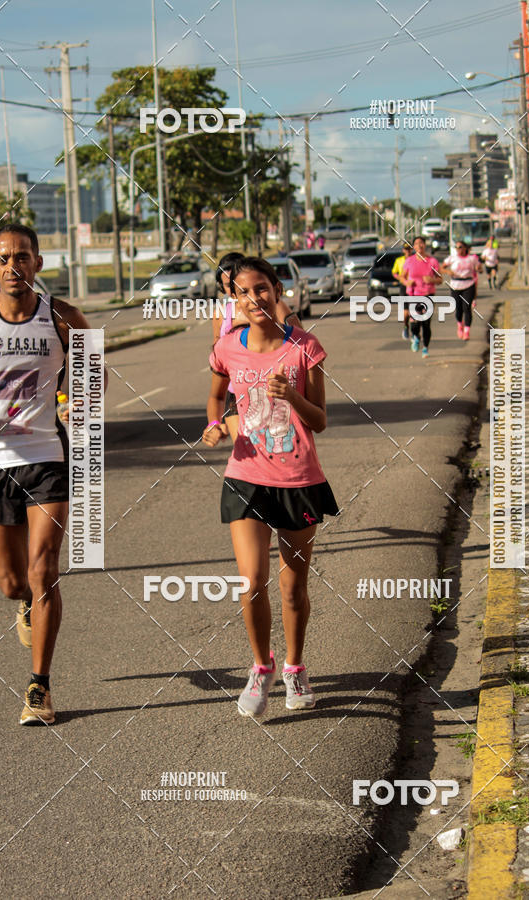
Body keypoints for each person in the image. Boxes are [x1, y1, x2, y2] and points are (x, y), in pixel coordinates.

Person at [202, 257, 338, 718]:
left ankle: (295, 668)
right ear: (233, 299)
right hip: (246, 478)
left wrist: (292, 395)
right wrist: (215, 425)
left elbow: (319, 420)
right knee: (251, 581)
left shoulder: (305, 347)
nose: (253, 298)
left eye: (260, 288)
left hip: (298, 480)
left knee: (292, 588)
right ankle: (262, 667)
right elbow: (216, 397)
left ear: (277, 290)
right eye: (242, 291)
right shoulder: (227, 347)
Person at [0, 223, 100, 725]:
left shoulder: (63, 317)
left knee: (44, 569)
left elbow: (94, 374)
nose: (12, 266)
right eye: (2, 258)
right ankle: (23, 603)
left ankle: (39, 686)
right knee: (12, 581)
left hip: (47, 457)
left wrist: (82, 399)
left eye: (22, 256)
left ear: (38, 263)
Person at [212, 252, 300, 442]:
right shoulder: (221, 313)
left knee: (275, 441)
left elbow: (298, 340)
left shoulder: (273, 306)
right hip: (236, 389)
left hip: (270, 385)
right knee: (243, 446)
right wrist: (214, 424)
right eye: (228, 285)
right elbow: (216, 351)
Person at [399, 236, 442, 359]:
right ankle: (416, 337)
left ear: (425, 245)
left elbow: (440, 280)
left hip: (428, 295)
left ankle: (425, 348)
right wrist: (407, 282)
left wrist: (432, 280)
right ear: (414, 247)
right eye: (417, 243)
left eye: (421, 243)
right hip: (413, 295)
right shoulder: (409, 261)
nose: (419, 245)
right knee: (415, 323)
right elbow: (402, 277)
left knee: (426, 323)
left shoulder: (432, 261)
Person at [440, 241, 482, 341]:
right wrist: (447, 271)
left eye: (460, 247)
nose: (458, 249)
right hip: (455, 285)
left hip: (468, 284)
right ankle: (460, 324)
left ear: (465, 248)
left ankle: (467, 331)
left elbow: (480, 268)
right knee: (458, 309)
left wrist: (478, 268)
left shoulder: (472, 258)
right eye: (457, 247)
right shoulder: (452, 258)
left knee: (466, 308)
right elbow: (441, 268)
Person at [391, 243, 413, 340]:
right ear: (403, 250)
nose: (407, 251)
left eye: (409, 249)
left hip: (414, 286)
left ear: (411, 250)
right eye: (406, 249)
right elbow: (394, 272)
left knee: (414, 310)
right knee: (406, 311)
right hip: (404, 286)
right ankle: (406, 327)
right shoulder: (399, 260)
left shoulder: (415, 260)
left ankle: (415, 331)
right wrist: (399, 277)